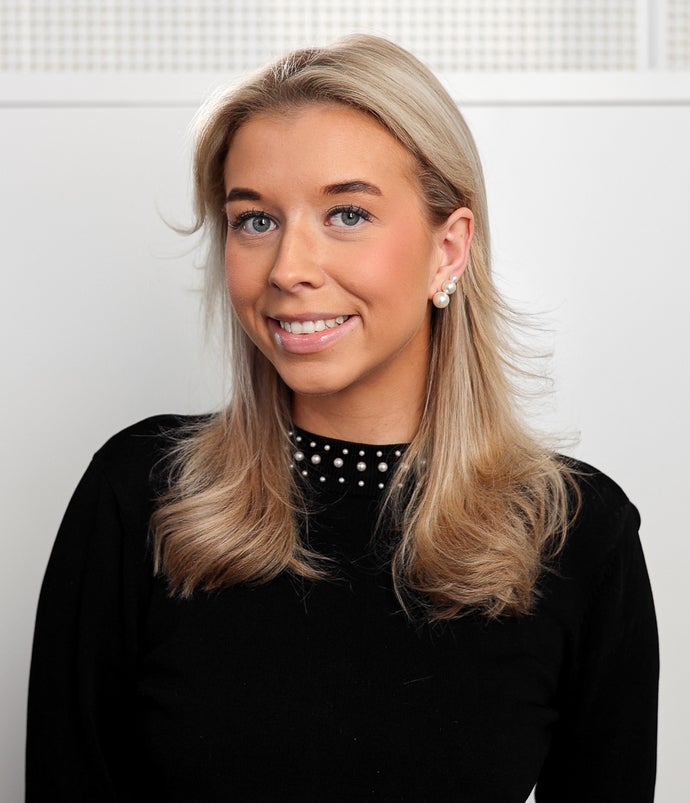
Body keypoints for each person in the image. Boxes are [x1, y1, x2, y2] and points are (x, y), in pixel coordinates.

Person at [26, 35, 658, 802]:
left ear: (448, 249)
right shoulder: (141, 497)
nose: (289, 268)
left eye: (347, 213)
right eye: (254, 220)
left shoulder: (578, 534)